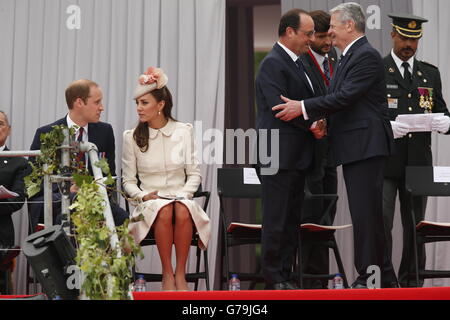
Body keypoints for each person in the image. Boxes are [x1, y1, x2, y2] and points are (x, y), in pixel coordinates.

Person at [272, 2, 399, 288]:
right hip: (356, 146)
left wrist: (302, 107)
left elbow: (344, 97)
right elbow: (340, 98)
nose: (329, 32)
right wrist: (322, 120)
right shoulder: (347, 56)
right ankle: (384, 277)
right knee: (366, 214)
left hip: (366, 146)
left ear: (349, 26)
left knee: (367, 216)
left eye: (333, 26)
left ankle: (370, 278)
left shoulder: (365, 55)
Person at [122, 67, 210, 291]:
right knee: (164, 209)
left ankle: (180, 274)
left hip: (181, 197)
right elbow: (128, 182)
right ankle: (167, 273)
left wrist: (185, 194)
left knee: (179, 208)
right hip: (150, 202)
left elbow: (194, 174)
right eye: (137, 103)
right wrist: (142, 195)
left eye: (144, 103)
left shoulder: (183, 131)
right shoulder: (131, 137)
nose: (139, 108)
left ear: (160, 105)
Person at [255, 9, 324, 290]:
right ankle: (274, 278)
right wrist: (311, 125)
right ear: (289, 32)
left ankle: (286, 274)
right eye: (307, 33)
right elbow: (279, 108)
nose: (311, 38)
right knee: (276, 219)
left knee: (292, 219)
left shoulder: (303, 62)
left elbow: (316, 99)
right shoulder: (273, 63)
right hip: (277, 154)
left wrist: (319, 120)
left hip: (297, 156)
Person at [383, 13, 450, 287]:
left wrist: (446, 123)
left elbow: (441, 112)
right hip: (386, 160)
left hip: (418, 162)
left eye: (414, 39)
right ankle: (384, 281)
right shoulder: (378, 69)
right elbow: (366, 114)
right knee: (382, 223)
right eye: (404, 38)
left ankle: (411, 282)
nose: (409, 44)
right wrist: (385, 126)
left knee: (415, 225)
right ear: (392, 35)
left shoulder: (429, 73)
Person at [29, 79, 128, 229]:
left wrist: (95, 188)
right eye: (97, 102)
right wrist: (66, 190)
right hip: (57, 201)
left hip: (95, 201)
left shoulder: (105, 132)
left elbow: (110, 176)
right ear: (79, 103)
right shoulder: (46, 133)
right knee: (73, 211)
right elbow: (34, 182)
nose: (101, 108)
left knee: (128, 221)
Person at [300, 10, 338, 289]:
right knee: (309, 219)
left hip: (332, 153)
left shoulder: (337, 61)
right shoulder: (300, 62)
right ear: (311, 36)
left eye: (330, 36)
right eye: (322, 36)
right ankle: (308, 283)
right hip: (308, 152)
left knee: (327, 219)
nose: (327, 41)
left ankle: (322, 285)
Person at [0, 111, 30, 293]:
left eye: (0, 123)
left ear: (8, 130)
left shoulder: (18, 162)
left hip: (1, 238)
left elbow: (17, 199)